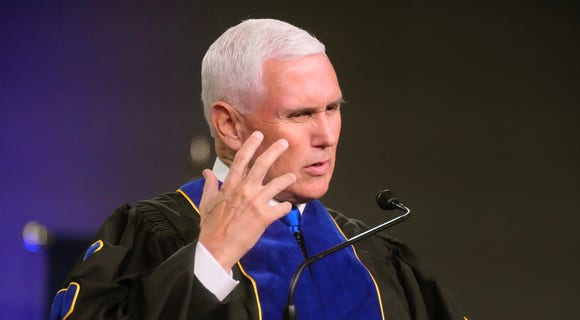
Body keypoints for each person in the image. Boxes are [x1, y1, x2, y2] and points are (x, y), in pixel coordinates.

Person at [50, 18, 467, 320]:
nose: (326, 134)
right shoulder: (155, 234)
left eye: (333, 108)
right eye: (300, 114)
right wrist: (211, 259)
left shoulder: (371, 253)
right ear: (229, 125)